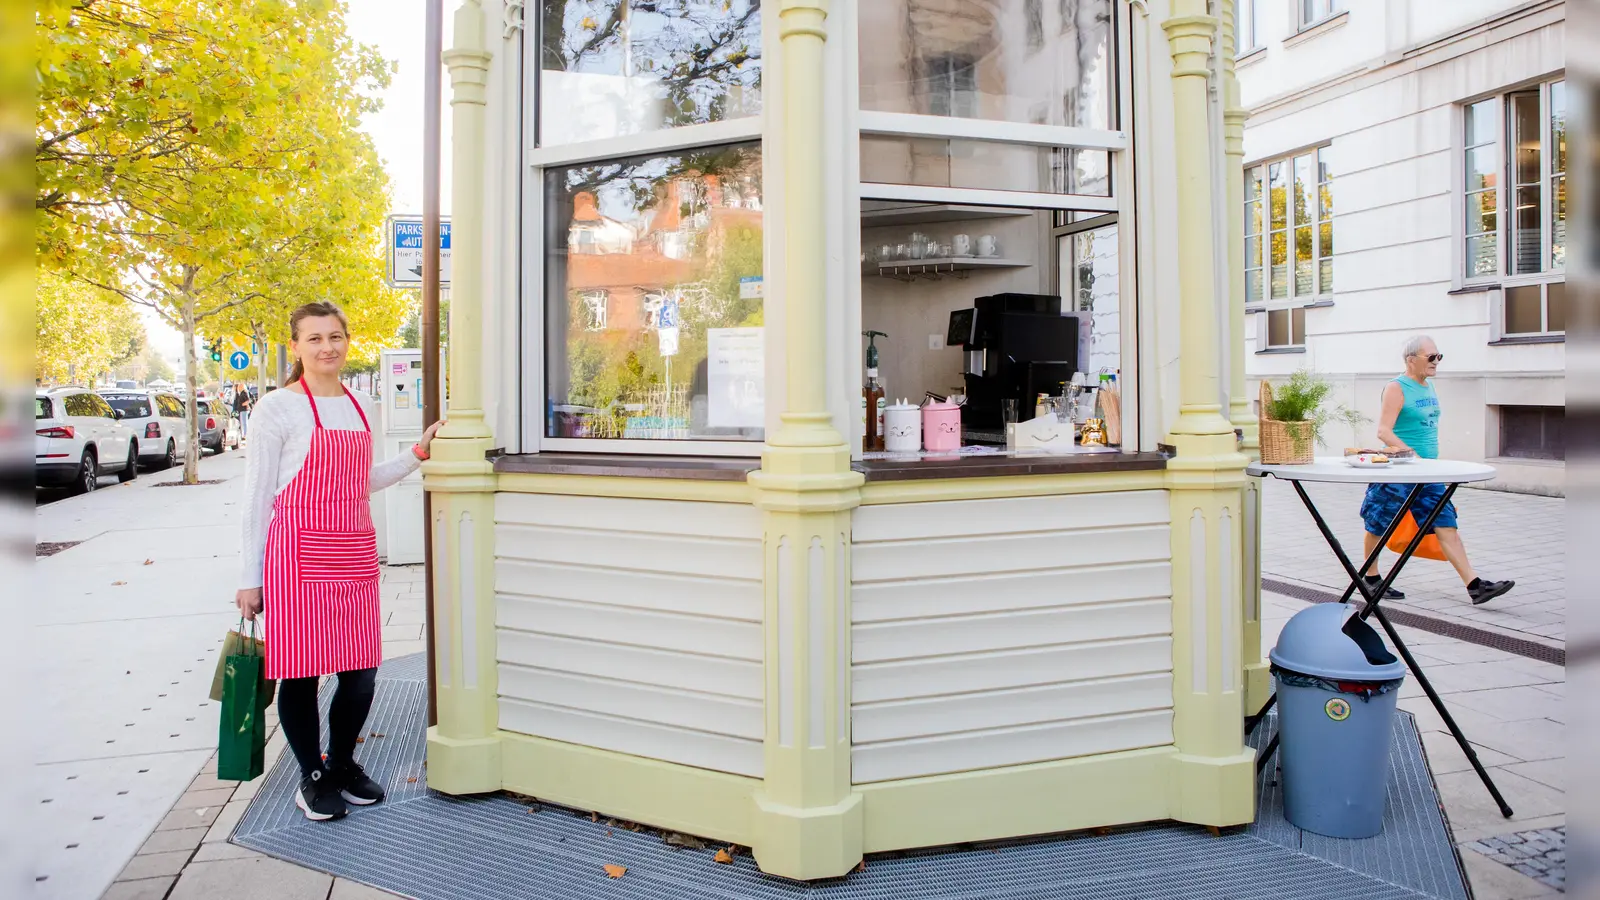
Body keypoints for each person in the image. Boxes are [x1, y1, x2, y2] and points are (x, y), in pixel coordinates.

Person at [236, 301, 444, 821]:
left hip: (352, 553)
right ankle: (312, 777)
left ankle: (342, 762)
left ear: (347, 341)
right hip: (296, 555)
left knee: (360, 673)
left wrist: (415, 455)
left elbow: (361, 481)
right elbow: (257, 497)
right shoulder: (276, 409)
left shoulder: (359, 405)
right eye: (314, 338)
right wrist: (248, 577)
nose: (327, 347)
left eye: (335, 337)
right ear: (296, 347)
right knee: (301, 674)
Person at [1358, 335, 1513, 606]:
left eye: (1438, 356)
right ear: (1411, 360)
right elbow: (1384, 431)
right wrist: (1413, 455)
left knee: (1446, 524)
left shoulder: (1428, 386)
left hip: (1429, 473)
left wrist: (1427, 461)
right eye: (1431, 357)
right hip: (1399, 470)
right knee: (1378, 524)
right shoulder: (1397, 387)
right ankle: (1370, 578)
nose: (1436, 362)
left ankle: (1475, 586)